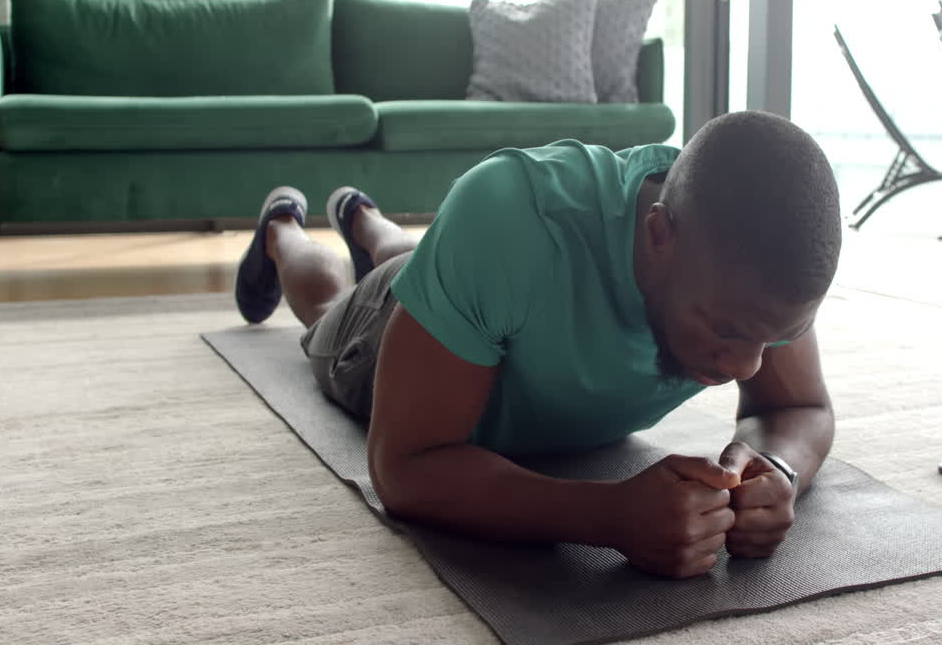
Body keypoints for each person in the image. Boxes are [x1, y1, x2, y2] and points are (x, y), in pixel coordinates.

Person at [234, 110, 842, 579]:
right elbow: (405, 467)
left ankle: (363, 216)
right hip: (390, 323)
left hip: (475, 283)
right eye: (727, 332)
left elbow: (798, 408)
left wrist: (777, 471)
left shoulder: (753, 273)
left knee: (424, 260)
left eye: (773, 337)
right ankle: (282, 229)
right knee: (325, 313)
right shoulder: (513, 217)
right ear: (659, 234)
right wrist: (607, 517)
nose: (745, 364)